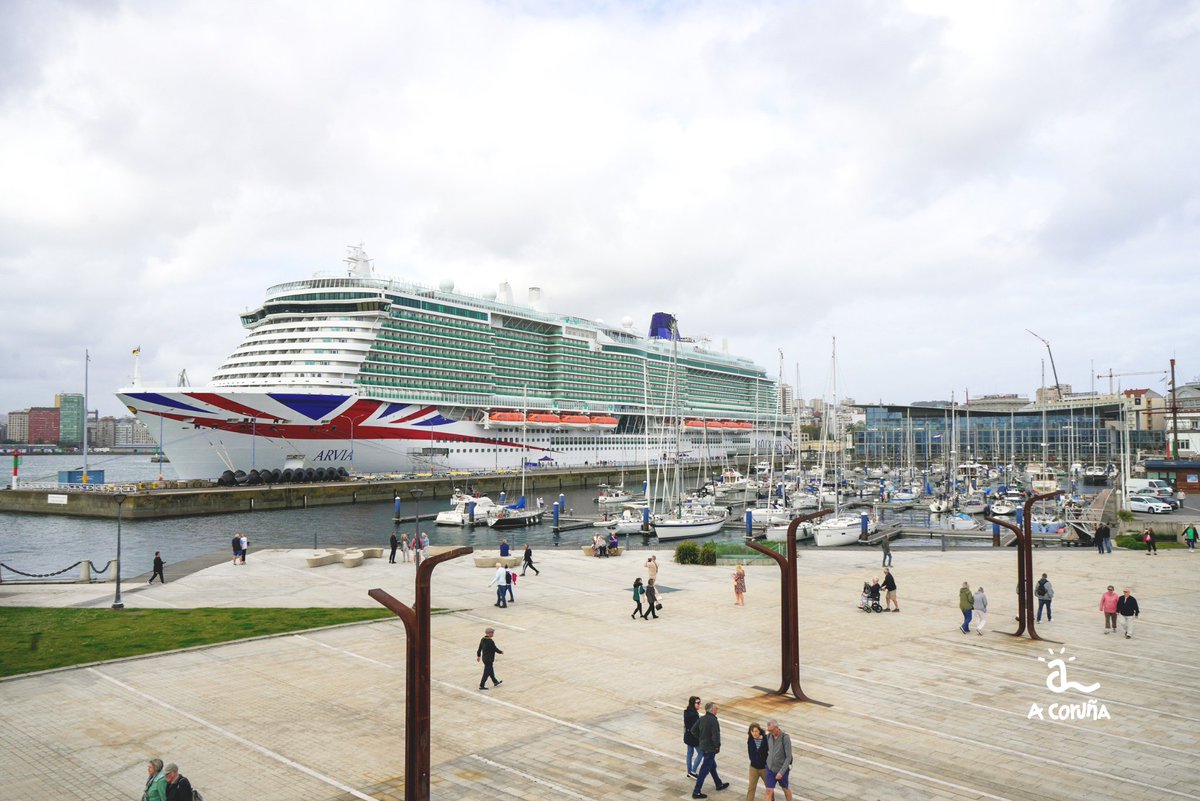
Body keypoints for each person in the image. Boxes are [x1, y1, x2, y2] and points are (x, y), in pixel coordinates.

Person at [690, 701, 729, 798]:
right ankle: (696, 791)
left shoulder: (702, 719)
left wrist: (701, 738)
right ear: (712, 710)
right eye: (716, 708)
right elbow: (716, 735)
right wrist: (717, 746)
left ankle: (718, 784)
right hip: (710, 748)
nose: (717, 710)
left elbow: (693, 730)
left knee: (712, 765)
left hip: (703, 747)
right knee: (704, 770)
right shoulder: (713, 720)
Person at [764, 719, 793, 801]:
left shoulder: (785, 738)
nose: (770, 732)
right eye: (769, 730)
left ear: (777, 728)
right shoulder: (769, 736)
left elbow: (788, 757)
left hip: (781, 769)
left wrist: (781, 772)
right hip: (770, 769)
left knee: (785, 789)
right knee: (768, 791)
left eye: (772, 730)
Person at [746, 722, 769, 801]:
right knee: (751, 787)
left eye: (756, 731)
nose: (754, 733)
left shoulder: (766, 739)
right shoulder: (750, 739)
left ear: (759, 731)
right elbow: (749, 752)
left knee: (769, 788)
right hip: (753, 768)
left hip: (764, 768)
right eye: (752, 731)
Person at [683, 695, 703, 779]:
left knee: (689, 754)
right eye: (697, 703)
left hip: (687, 735)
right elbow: (696, 728)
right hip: (694, 737)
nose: (699, 705)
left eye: (699, 703)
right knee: (701, 753)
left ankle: (689, 772)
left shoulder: (687, 711)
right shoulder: (694, 714)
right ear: (693, 703)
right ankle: (693, 771)